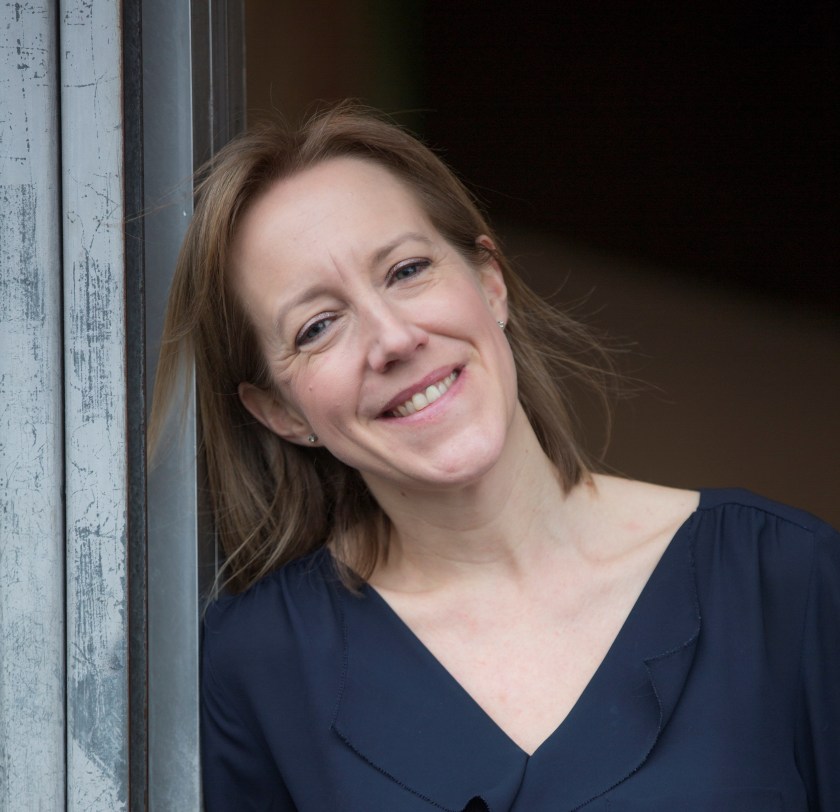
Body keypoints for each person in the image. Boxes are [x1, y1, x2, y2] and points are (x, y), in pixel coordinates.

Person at [150, 103, 840, 811]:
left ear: (490, 282)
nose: (393, 339)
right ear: (282, 412)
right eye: (318, 326)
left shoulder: (782, 582)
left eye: (407, 270)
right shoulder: (260, 666)